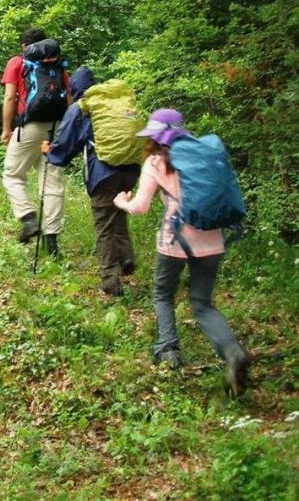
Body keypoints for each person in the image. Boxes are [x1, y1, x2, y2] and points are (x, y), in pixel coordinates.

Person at [113, 108, 250, 395]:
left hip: (174, 241)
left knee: (163, 294)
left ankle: (167, 350)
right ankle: (232, 352)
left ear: (156, 136)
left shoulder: (155, 161)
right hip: (213, 240)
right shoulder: (202, 156)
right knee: (202, 303)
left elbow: (140, 207)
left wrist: (121, 201)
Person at [46, 67, 140, 295]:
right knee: (117, 212)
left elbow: (66, 142)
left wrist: (50, 154)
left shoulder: (82, 107)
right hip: (131, 168)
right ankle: (125, 258)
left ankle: (109, 282)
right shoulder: (111, 103)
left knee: (104, 225)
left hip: (104, 173)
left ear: (74, 88)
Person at [1, 28, 69, 255]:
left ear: (25, 45)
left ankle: (29, 220)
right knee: (51, 181)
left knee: (12, 174)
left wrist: (6, 128)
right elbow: (67, 97)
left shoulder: (18, 62)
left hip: (30, 127)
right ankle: (52, 243)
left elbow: (10, 97)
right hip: (55, 128)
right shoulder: (58, 64)